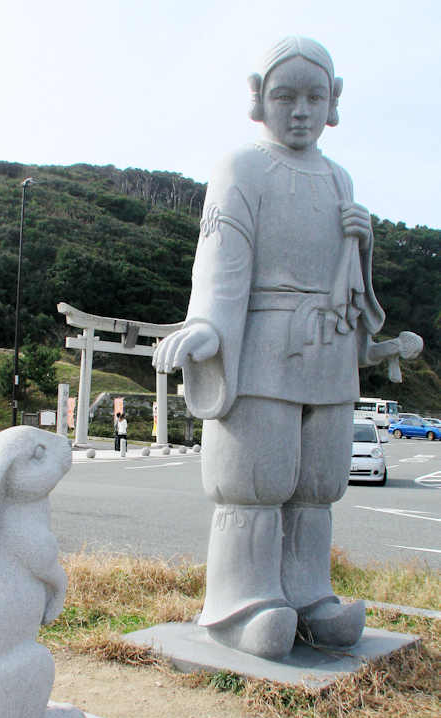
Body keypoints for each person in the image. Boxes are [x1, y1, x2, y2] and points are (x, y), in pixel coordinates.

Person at [153, 36, 422, 660]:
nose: (300, 110)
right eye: (285, 96)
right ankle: (241, 603)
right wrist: (206, 326)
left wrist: (363, 244)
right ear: (258, 97)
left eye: (314, 97)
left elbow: (349, 284)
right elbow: (221, 258)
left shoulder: (339, 176)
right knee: (255, 477)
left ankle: (308, 594)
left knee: (318, 480)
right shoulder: (241, 167)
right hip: (264, 338)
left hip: (327, 343)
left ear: (333, 104)